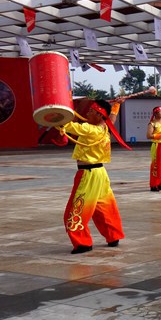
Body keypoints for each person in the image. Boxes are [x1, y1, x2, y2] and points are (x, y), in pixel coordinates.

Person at [58, 98, 127, 254]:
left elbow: (67, 125)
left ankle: (83, 243)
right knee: (104, 207)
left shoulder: (91, 130)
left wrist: (56, 113)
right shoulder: (104, 128)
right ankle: (113, 236)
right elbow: (112, 117)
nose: (87, 113)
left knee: (76, 209)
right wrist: (116, 105)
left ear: (98, 114)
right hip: (100, 174)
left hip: (88, 174)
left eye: (90, 111)